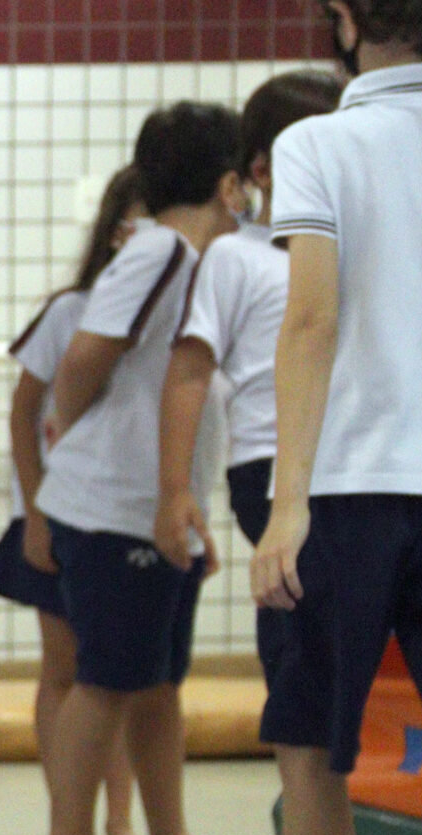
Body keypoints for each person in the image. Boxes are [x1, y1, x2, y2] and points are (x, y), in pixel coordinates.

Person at [209, 1, 422, 835]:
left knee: (309, 748)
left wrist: (285, 502)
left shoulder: (319, 142)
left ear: (343, 21)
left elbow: (310, 318)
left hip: (350, 490)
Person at [31, 101, 245, 835]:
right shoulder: (158, 251)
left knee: (157, 684)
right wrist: (82, 437)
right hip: (114, 506)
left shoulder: (193, 260)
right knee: (107, 680)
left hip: (156, 507)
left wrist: (183, 501)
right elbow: (84, 358)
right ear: (229, 183)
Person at [0, 165, 152, 835]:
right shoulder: (70, 311)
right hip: (58, 514)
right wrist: (34, 514)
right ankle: (69, 818)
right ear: (115, 232)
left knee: (119, 675)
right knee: (67, 668)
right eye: (140, 223)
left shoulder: (175, 313)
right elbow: (23, 412)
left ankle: (118, 820)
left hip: (127, 517)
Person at [156, 72, 344, 682]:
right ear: (261, 171)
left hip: (346, 460)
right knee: (302, 626)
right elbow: (189, 373)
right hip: (267, 464)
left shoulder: (347, 249)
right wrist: (176, 490)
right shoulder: (238, 254)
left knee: (341, 628)